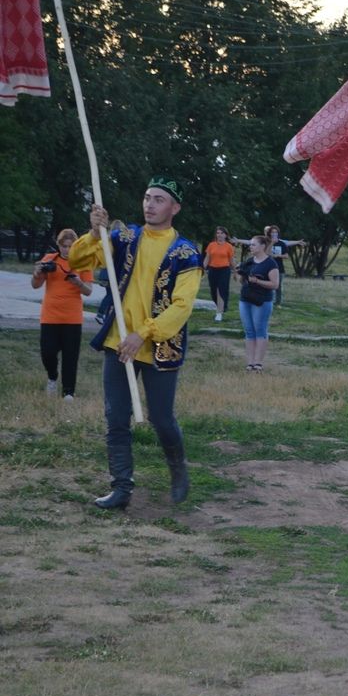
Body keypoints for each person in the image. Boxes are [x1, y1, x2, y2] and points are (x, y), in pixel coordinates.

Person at [70, 177, 201, 509]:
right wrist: (93, 232)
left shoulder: (185, 253)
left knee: (161, 417)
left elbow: (181, 308)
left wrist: (142, 333)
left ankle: (178, 469)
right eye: (146, 197)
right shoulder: (124, 236)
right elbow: (79, 261)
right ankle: (121, 488)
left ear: (175, 208)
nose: (149, 204)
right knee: (116, 417)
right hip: (119, 345)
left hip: (158, 346)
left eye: (158, 199)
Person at [33, 228, 94, 400]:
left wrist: (78, 282)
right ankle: (52, 377)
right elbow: (35, 285)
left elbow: (89, 291)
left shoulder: (83, 262)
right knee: (47, 352)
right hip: (50, 315)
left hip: (72, 317)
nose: (67, 249)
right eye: (64, 246)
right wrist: (37, 272)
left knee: (70, 356)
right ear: (58, 245)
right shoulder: (49, 259)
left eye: (71, 246)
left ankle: (68, 392)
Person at [238, 235, 279, 371]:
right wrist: (240, 275)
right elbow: (241, 280)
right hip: (245, 299)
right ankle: (250, 362)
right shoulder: (249, 261)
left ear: (262, 246)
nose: (250, 247)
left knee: (260, 330)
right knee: (249, 331)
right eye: (250, 244)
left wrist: (258, 281)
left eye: (253, 244)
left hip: (261, 301)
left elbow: (275, 284)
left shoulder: (270, 263)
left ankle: (258, 363)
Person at [202, 226, 235, 322]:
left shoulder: (229, 246)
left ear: (225, 235)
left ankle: (219, 313)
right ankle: (222, 306)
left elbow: (231, 260)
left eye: (221, 233)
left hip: (224, 270)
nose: (219, 235)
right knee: (213, 292)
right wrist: (202, 268)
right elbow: (207, 258)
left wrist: (235, 272)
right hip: (213, 270)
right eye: (218, 233)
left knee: (221, 290)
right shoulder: (211, 245)